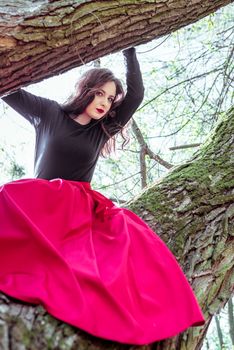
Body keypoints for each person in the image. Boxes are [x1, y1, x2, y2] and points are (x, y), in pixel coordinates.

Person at [0, 48, 205, 345]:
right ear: (86, 90)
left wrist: (130, 47)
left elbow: (135, 96)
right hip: (38, 202)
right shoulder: (48, 113)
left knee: (119, 251)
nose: (104, 103)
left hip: (76, 210)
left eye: (110, 99)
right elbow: (7, 85)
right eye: (100, 94)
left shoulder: (102, 129)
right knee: (6, 193)